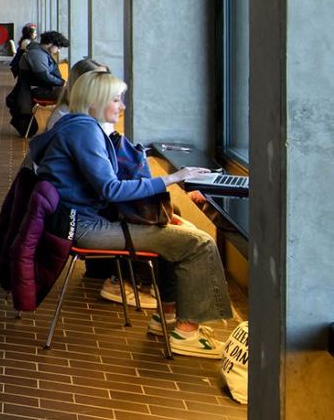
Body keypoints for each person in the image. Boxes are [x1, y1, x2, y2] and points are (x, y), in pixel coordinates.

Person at [25, 70, 234, 356]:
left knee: (175, 231)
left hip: (76, 220)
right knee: (198, 243)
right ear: (96, 101)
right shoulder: (85, 132)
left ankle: (166, 316)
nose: (122, 106)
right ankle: (187, 333)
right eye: (116, 99)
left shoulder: (75, 125)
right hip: (85, 228)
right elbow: (110, 189)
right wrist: (173, 178)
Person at [7, 29, 67, 137]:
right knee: (72, 94)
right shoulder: (37, 54)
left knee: (72, 93)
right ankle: (59, 126)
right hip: (38, 90)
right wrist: (62, 82)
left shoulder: (38, 52)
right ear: (50, 43)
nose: (58, 51)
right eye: (58, 47)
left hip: (37, 88)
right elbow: (44, 76)